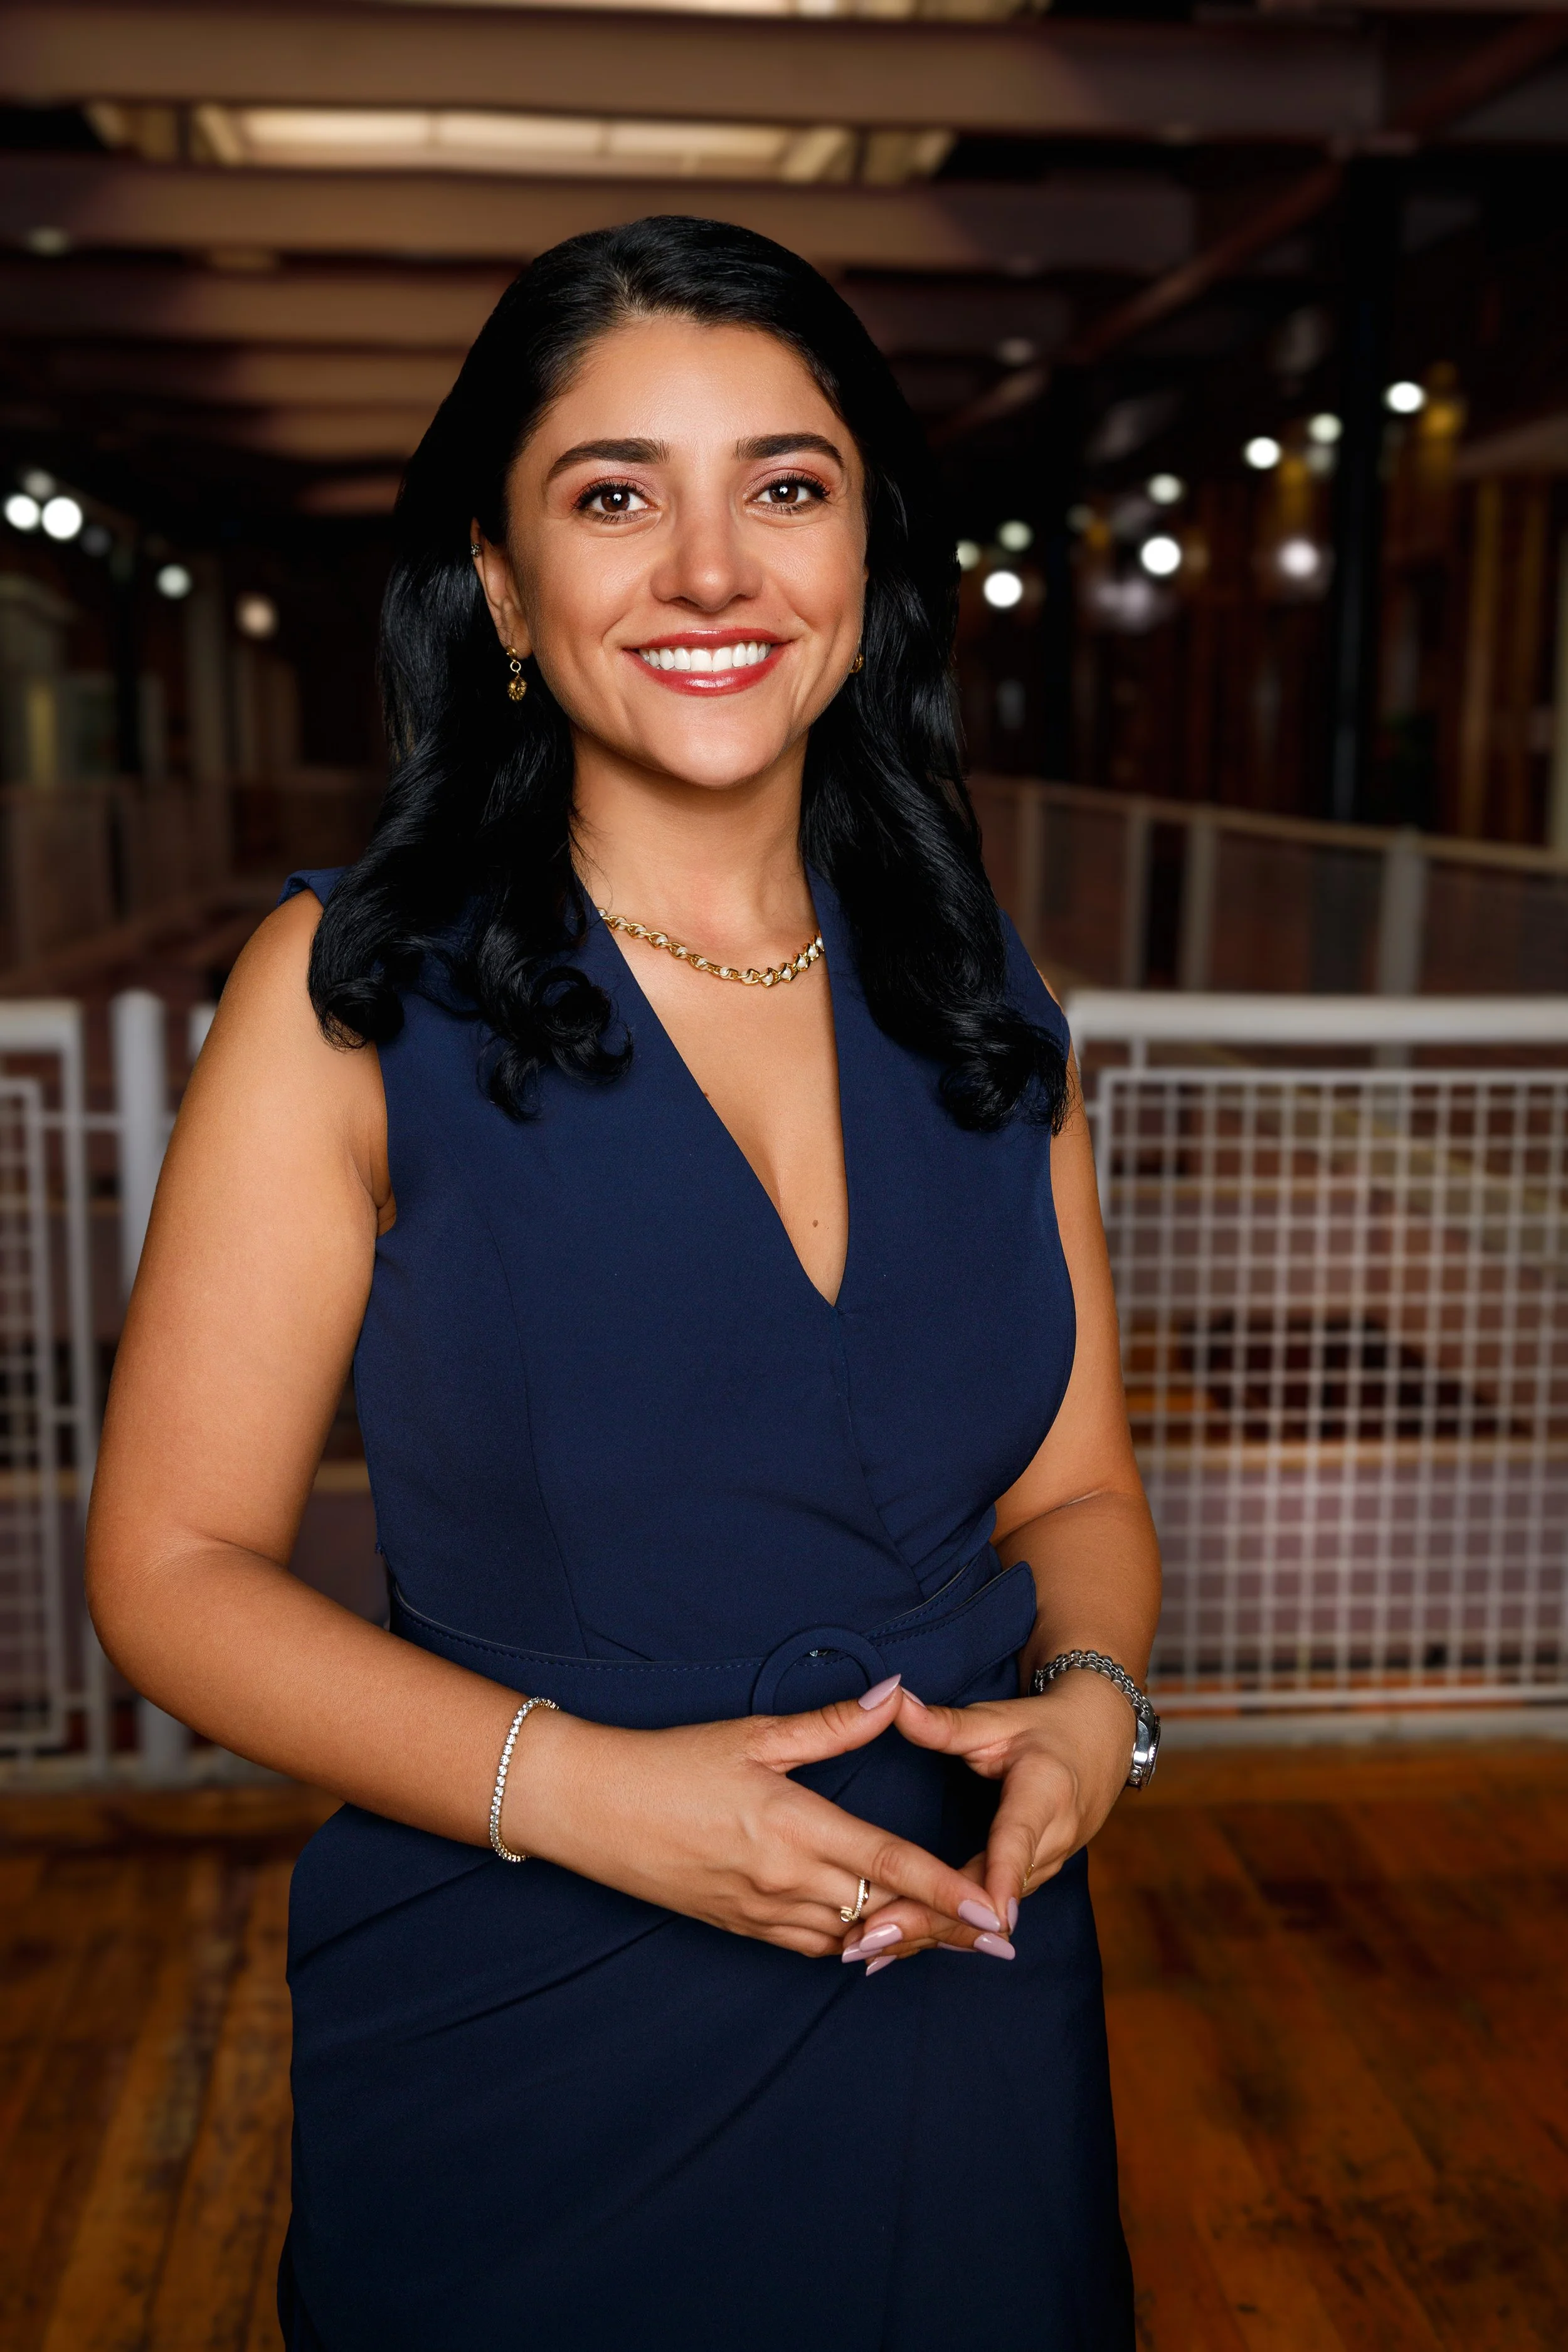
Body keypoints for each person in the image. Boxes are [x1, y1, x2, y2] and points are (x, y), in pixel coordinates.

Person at [86, 216, 1160, 2349]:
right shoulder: (348, 997)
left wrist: (1094, 1718)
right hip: (532, 2032)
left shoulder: (979, 997)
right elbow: (170, 1565)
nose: (708, 573)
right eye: (612, 496)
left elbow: (1074, 1497)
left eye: (783, 485)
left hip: (965, 1999)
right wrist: (595, 1799)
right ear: (498, 579)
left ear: (867, 559)